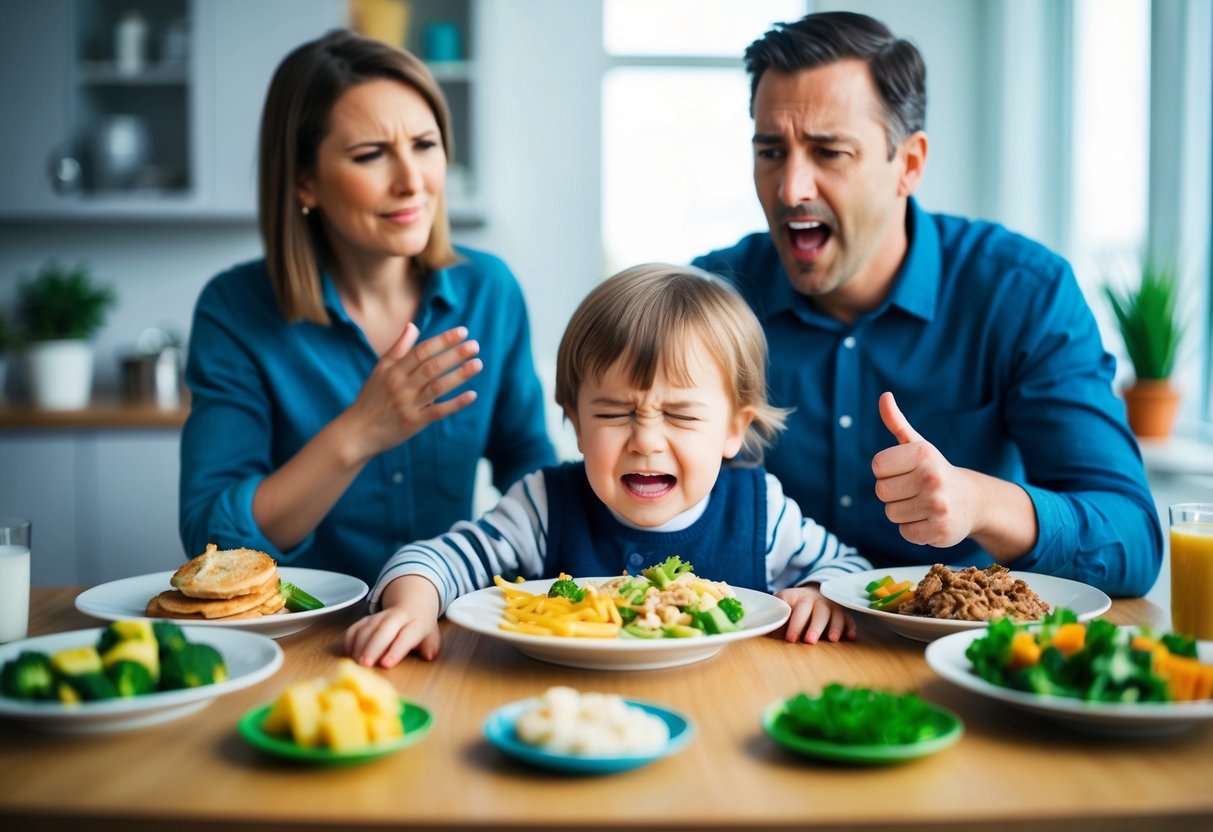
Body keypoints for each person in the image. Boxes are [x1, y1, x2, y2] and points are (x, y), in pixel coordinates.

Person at [692, 11, 1161, 597]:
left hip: (954, 647)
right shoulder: (711, 300)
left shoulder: (1024, 293)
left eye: (829, 152)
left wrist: (981, 501)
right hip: (764, 645)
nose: (791, 189)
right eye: (770, 152)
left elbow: (1133, 540)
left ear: (908, 164)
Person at [345, 264, 872, 666]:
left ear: (735, 428)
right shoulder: (542, 506)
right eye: (615, 412)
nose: (645, 441)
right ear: (575, 421)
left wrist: (820, 596)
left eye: (682, 415)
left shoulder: (763, 512)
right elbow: (433, 560)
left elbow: (852, 571)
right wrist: (412, 605)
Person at [179, 30, 555, 585]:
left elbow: (531, 472)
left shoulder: (489, 290)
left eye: (425, 145)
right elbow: (212, 540)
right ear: (305, 182)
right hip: (301, 635)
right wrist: (358, 432)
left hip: (444, 618)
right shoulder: (234, 311)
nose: (411, 182)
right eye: (371, 155)